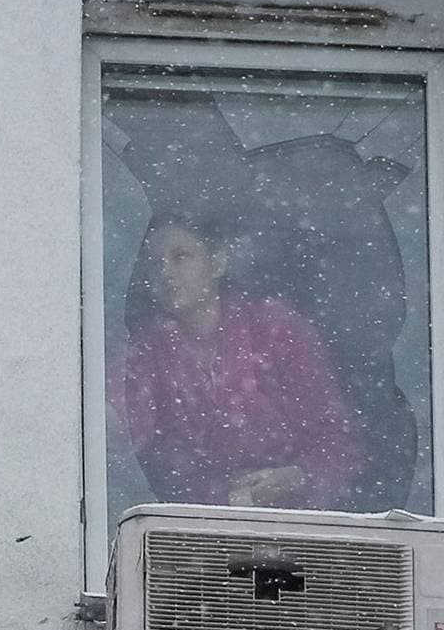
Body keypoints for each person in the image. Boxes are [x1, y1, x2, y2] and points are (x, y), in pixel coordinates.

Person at [109, 214, 362, 510]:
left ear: (217, 262)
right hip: (191, 526)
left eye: (180, 256)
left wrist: (297, 476)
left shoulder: (276, 329)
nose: (165, 272)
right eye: (155, 263)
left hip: (299, 523)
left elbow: (336, 439)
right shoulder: (147, 349)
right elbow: (120, 424)